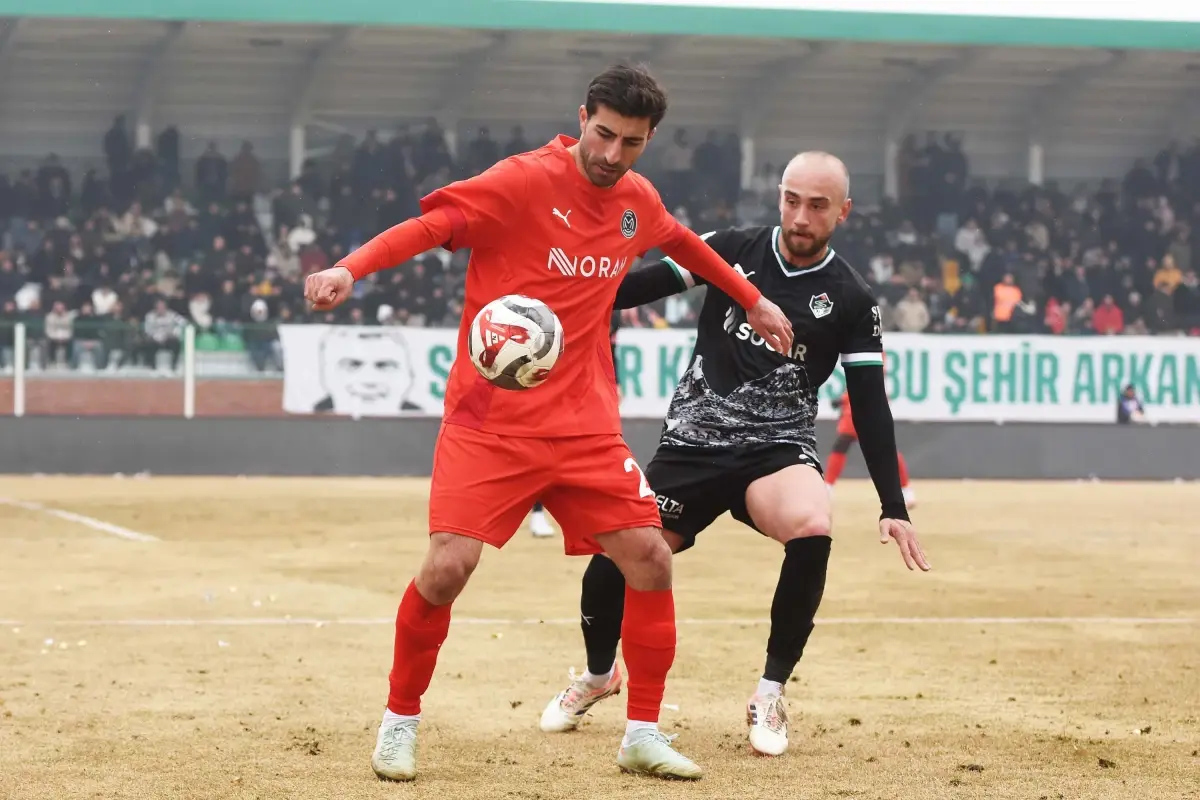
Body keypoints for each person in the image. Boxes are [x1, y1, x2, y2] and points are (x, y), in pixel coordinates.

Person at [303, 63, 793, 782]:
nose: (611, 154)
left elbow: (683, 243)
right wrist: (351, 268)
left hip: (583, 427)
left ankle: (642, 734)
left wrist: (751, 299)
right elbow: (432, 225)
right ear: (582, 117)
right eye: (602, 135)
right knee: (446, 570)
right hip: (488, 423)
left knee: (650, 558)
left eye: (631, 142)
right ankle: (399, 724)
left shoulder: (636, 199)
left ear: (648, 139)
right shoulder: (522, 180)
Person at [537, 152, 930, 758]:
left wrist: (893, 504)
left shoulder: (852, 298)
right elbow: (633, 288)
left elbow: (870, 405)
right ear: (779, 197)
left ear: (843, 212)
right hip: (692, 445)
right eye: (792, 200)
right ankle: (597, 675)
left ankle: (769, 692)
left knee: (813, 523)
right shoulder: (733, 249)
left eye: (817, 205)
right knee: (614, 556)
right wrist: (558, 289)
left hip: (776, 452)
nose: (801, 216)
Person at [825, 387, 917, 507]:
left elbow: (867, 377)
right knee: (842, 445)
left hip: (866, 406)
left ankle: (906, 490)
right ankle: (827, 487)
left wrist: (844, 399)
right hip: (859, 407)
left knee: (886, 449)